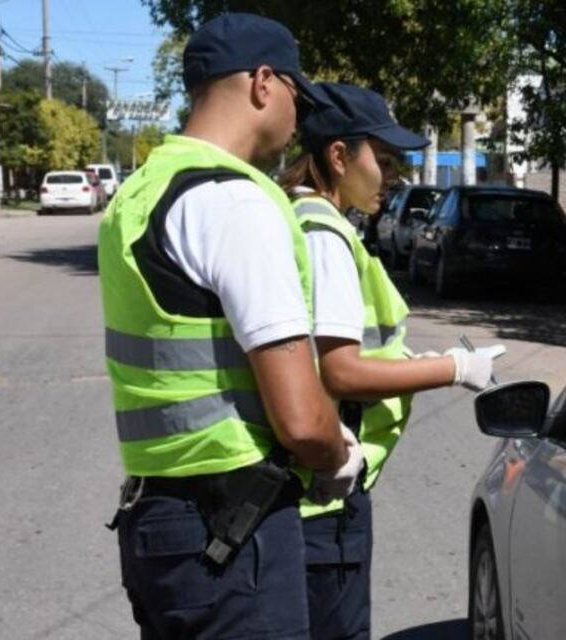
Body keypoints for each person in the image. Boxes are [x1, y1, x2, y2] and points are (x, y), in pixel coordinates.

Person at [97, 14, 364, 639]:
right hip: (233, 535)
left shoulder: (139, 193)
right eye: (298, 96)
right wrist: (336, 455)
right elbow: (300, 418)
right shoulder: (237, 202)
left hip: (160, 522)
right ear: (264, 83)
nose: (300, 119)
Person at [278, 82, 505, 639]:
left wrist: (407, 360)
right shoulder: (325, 232)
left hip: (308, 490)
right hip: (325, 495)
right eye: (381, 160)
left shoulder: (300, 217)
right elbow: (341, 371)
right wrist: (452, 368)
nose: (393, 175)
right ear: (338, 156)